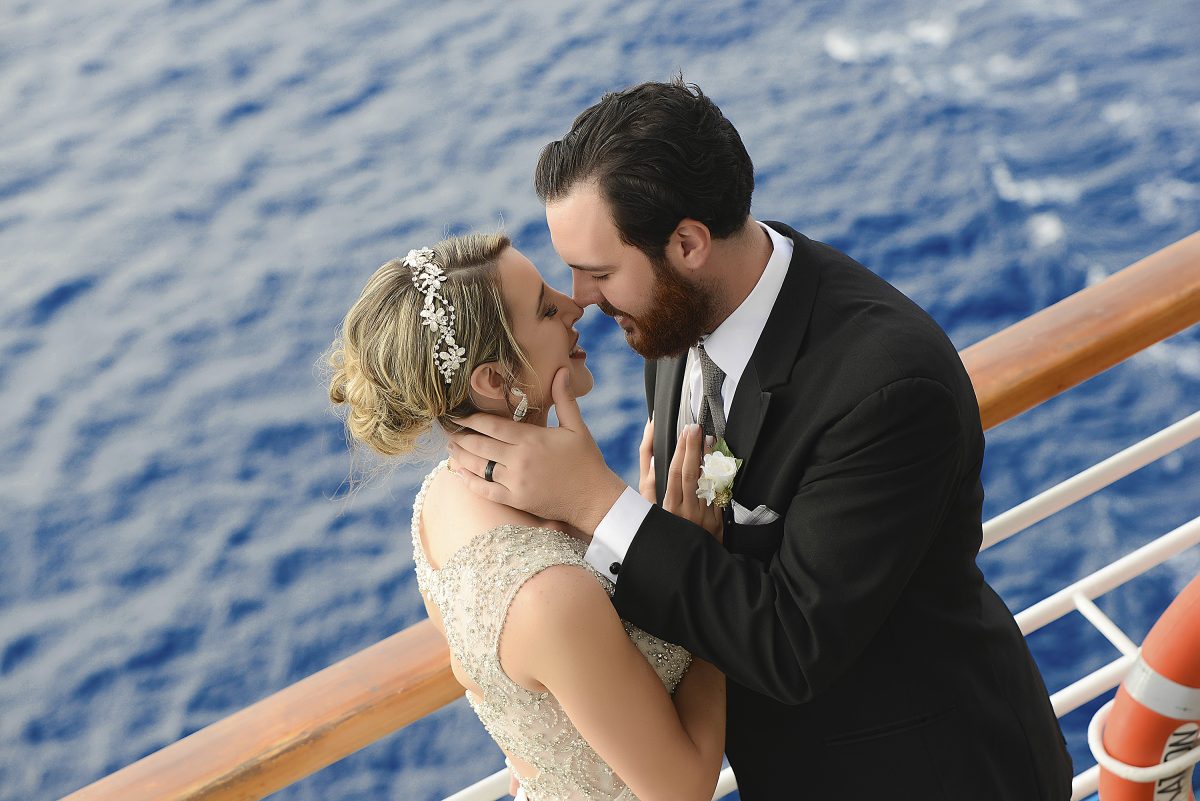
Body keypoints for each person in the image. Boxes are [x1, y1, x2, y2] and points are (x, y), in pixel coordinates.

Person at [448, 80, 1075, 800]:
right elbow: (697, 554)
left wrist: (597, 502)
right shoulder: (676, 313)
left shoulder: (887, 386)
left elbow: (792, 645)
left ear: (688, 243)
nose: (580, 298)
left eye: (599, 272)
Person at [324, 233, 726, 801]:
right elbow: (682, 787)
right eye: (545, 308)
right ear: (494, 379)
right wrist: (699, 564)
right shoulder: (547, 594)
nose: (575, 304)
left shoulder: (441, 499)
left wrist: (634, 528)